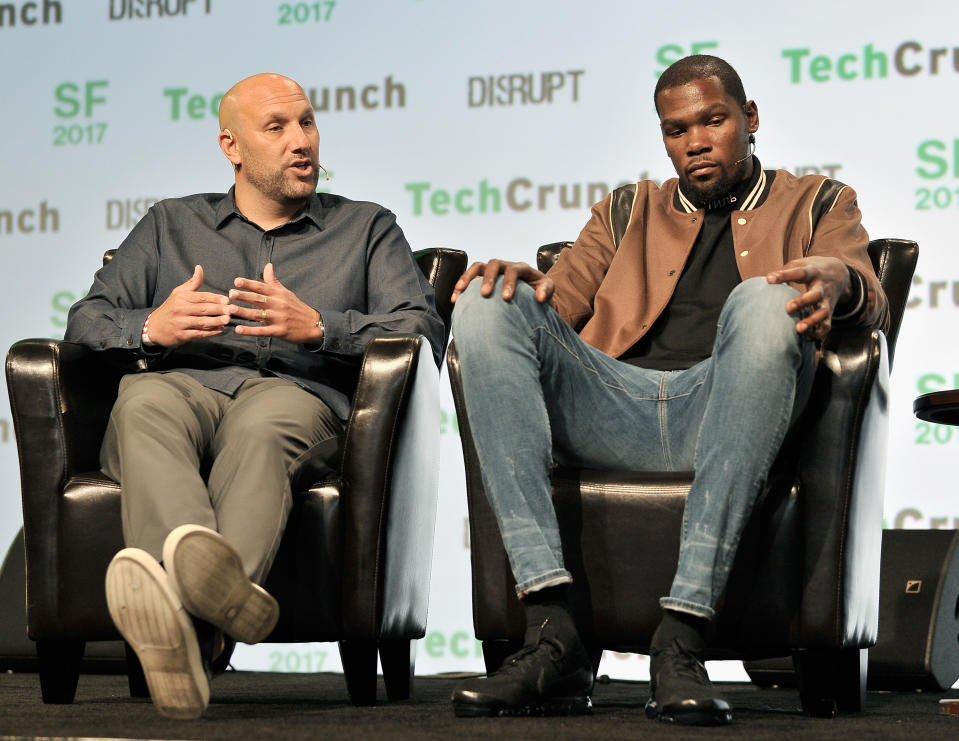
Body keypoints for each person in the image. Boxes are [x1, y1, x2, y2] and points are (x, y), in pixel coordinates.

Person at [448, 55, 888, 724]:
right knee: (484, 302)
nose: (695, 141)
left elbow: (868, 295)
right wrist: (518, 290)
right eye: (676, 129)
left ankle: (681, 636)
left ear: (749, 119)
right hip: (612, 406)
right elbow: (558, 302)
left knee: (765, 300)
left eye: (713, 120)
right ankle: (548, 627)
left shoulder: (819, 200)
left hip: (727, 404)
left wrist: (840, 280)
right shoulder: (625, 209)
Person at [65, 72, 444, 720]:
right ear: (231, 146)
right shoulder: (170, 223)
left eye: (307, 122)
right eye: (277, 127)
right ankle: (209, 616)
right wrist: (153, 325)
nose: (302, 140)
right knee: (141, 403)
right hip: (182, 384)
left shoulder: (364, 228)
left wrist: (322, 326)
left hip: (293, 392)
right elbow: (87, 319)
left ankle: (185, 627)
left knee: (262, 426)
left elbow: (422, 327)